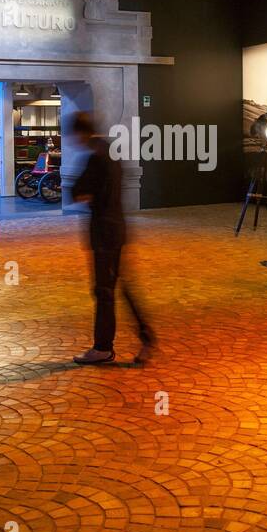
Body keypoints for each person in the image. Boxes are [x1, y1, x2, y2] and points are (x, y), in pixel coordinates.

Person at [69, 111, 155, 365]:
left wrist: (84, 194)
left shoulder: (95, 158)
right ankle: (146, 336)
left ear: (81, 133)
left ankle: (103, 347)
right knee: (121, 287)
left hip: (104, 232)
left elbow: (77, 191)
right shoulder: (110, 152)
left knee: (104, 290)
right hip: (116, 229)